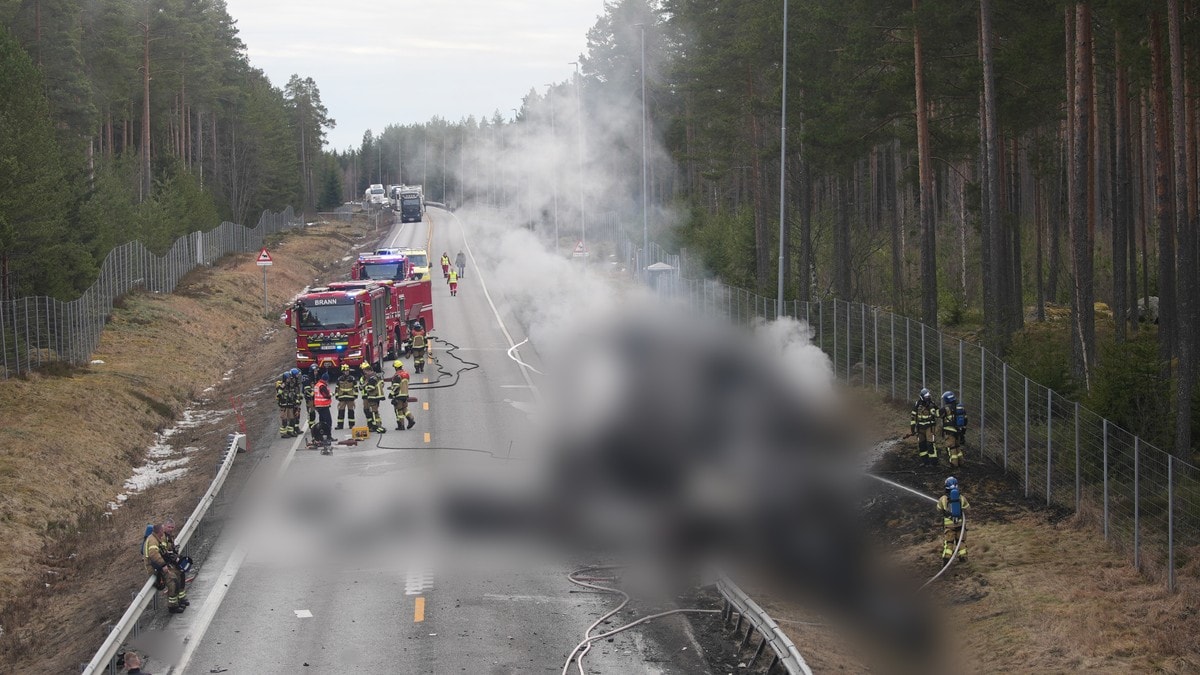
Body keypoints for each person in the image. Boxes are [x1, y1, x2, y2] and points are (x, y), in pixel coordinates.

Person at [143, 524, 184, 613]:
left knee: (178, 574)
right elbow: (154, 554)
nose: (163, 533)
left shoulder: (156, 538)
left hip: (158, 565)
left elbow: (163, 551)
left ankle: (177, 602)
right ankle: (172, 607)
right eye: (162, 531)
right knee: (172, 580)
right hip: (154, 568)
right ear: (159, 532)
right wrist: (163, 565)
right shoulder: (152, 540)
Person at [936, 476, 969, 563]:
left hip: (949, 526)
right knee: (961, 541)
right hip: (960, 525)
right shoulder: (961, 497)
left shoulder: (943, 499)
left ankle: (946, 558)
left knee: (949, 542)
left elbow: (938, 509)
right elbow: (967, 508)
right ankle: (963, 558)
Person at [160, 519, 189, 607]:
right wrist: (173, 558)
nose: (171, 529)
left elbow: (171, 549)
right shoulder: (162, 537)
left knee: (182, 572)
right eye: (169, 527)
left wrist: (176, 554)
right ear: (164, 526)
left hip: (170, 561)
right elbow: (163, 553)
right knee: (175, 578)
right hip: (164, 563)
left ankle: (181, 598)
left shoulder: (170, 535)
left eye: (172, 527)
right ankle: (173, 604)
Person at [939, 391, 968, 468]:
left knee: (951, 447)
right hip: (958, 431)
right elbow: (965, 420)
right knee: (957, 447)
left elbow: (938, 414)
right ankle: (961, 462)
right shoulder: (960, 407)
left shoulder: (946, 408)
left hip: (949, 432)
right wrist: (963, 431)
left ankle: (954, 464)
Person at [910, 388, 938, 466]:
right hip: (920, 428)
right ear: (922, 396)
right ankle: (925, 462)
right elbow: (913, 415)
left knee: (930, 444)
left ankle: (933, 462)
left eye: (929, 395)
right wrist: (912, 427)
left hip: (930, 427)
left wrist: (932, 408)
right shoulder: (917, 404)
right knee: (921, 445)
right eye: (926, 396)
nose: (928, 397)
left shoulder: (932, 403)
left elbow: (937, 413)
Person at [389, 360, 417, 430]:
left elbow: (396, 386)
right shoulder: (406, 374)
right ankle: (411, 419)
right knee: (404, 408)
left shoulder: (397, 376)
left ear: (396, 367)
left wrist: (391, 394)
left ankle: (401, 425)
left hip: (398, 395)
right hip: (405, 394)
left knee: (399, 410)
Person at [361, 366, 387, 433]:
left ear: (370, 371)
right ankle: (378, 425)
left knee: (374, 412)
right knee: (376, 412)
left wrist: (365, 387)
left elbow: (371, 387)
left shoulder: (372, 379)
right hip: (378, 396)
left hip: (373, 397)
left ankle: (378, 426)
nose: (365, 374)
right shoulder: (377, 376)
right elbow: (382, 384)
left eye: (366, 372)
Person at [334, 364, 359, 430]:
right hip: (342, 398)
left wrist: (355, 396)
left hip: (350, 398)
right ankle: (340, 425)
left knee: (351, 411)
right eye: (345, 371)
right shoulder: (339, 379)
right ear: (342, 372)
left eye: (347, 371)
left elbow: (356, 388)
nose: (346, 372)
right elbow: (337, 388)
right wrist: (337, 396)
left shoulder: (352, 379)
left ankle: (351, 425)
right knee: (341, 411)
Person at [313, 373, 334, 444]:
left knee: (321, 421)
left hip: (318, 406)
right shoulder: (322, 386)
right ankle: (328, 436)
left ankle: (321, 436)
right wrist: (331, 394)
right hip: (323, 406)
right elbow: (326, 395)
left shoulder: (317, 384)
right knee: (328, 421)